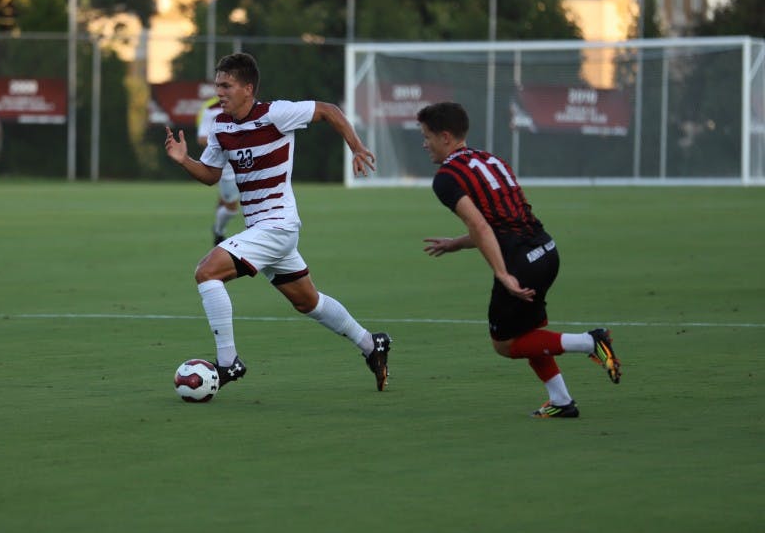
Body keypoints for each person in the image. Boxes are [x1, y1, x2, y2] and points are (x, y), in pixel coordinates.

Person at [164, 52, 392, 391]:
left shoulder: (276, 113)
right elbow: (211, 176)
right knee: (307, 302)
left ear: (247, 88)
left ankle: (228, 363)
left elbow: (329, 110)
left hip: (277, 225)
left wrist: (356, 147)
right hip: (262, 229)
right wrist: (185, 160)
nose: (219, 93)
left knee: (206, 272)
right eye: (217, 86)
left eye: (226, 86)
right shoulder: (221, 126)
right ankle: (372, 344)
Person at [416, 102, 620, 418]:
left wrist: (503, 274)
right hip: (547, 251)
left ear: (444, 136)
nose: (424, 143)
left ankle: (591, 342)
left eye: (426, 136)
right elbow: (501, 223)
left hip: (522, 265)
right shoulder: (492, 160)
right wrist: (455, 244)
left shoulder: (445, 178)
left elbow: (481, 226)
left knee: (505, 344)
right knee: (529, 336)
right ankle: (562, 402)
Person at [196, 95, 241, 245]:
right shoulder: (211, 109)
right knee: (232, 209)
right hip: (227, 168)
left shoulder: (249, 106)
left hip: (247, 162)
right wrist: (226, 140)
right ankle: (219, 230)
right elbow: (202, 138)